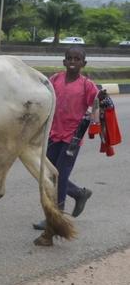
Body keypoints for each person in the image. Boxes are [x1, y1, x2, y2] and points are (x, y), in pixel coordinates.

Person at [33, 46, 102, 231]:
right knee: (48, 175)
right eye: (69, 58)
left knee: (60, 177)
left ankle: (56, 219)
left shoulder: (87, 85)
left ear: (83, 63)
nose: (72, 62)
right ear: (64, 61)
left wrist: (96, 124)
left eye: (77, 59)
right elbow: (45, 100)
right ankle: (79, 194)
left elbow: (95, 106)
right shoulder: (55, 79)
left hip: (72, 138)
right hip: (53, 134)